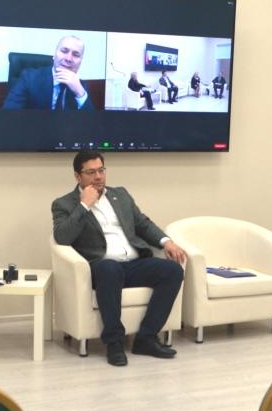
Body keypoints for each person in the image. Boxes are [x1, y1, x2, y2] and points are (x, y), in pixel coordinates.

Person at [52, 150, 185, 366]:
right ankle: (114, 342)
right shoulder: (64, 204)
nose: (98, 177)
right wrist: (84, 205)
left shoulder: (120, 195)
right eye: (91, 172)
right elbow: (62, 237)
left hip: (133, 263)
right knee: (110, 268)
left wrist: (166, 242)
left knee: (173, 271)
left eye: (101, 170)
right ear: (77, 176)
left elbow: (143, 224)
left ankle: (146, 338)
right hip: (100, 267)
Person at [3, 35, 94, 110]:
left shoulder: (81, 86)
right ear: (54, 55)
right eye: (64, 51)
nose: (68, 58)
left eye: (76, 55)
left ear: (80, 62)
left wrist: (80, 93)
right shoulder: (29, 78)